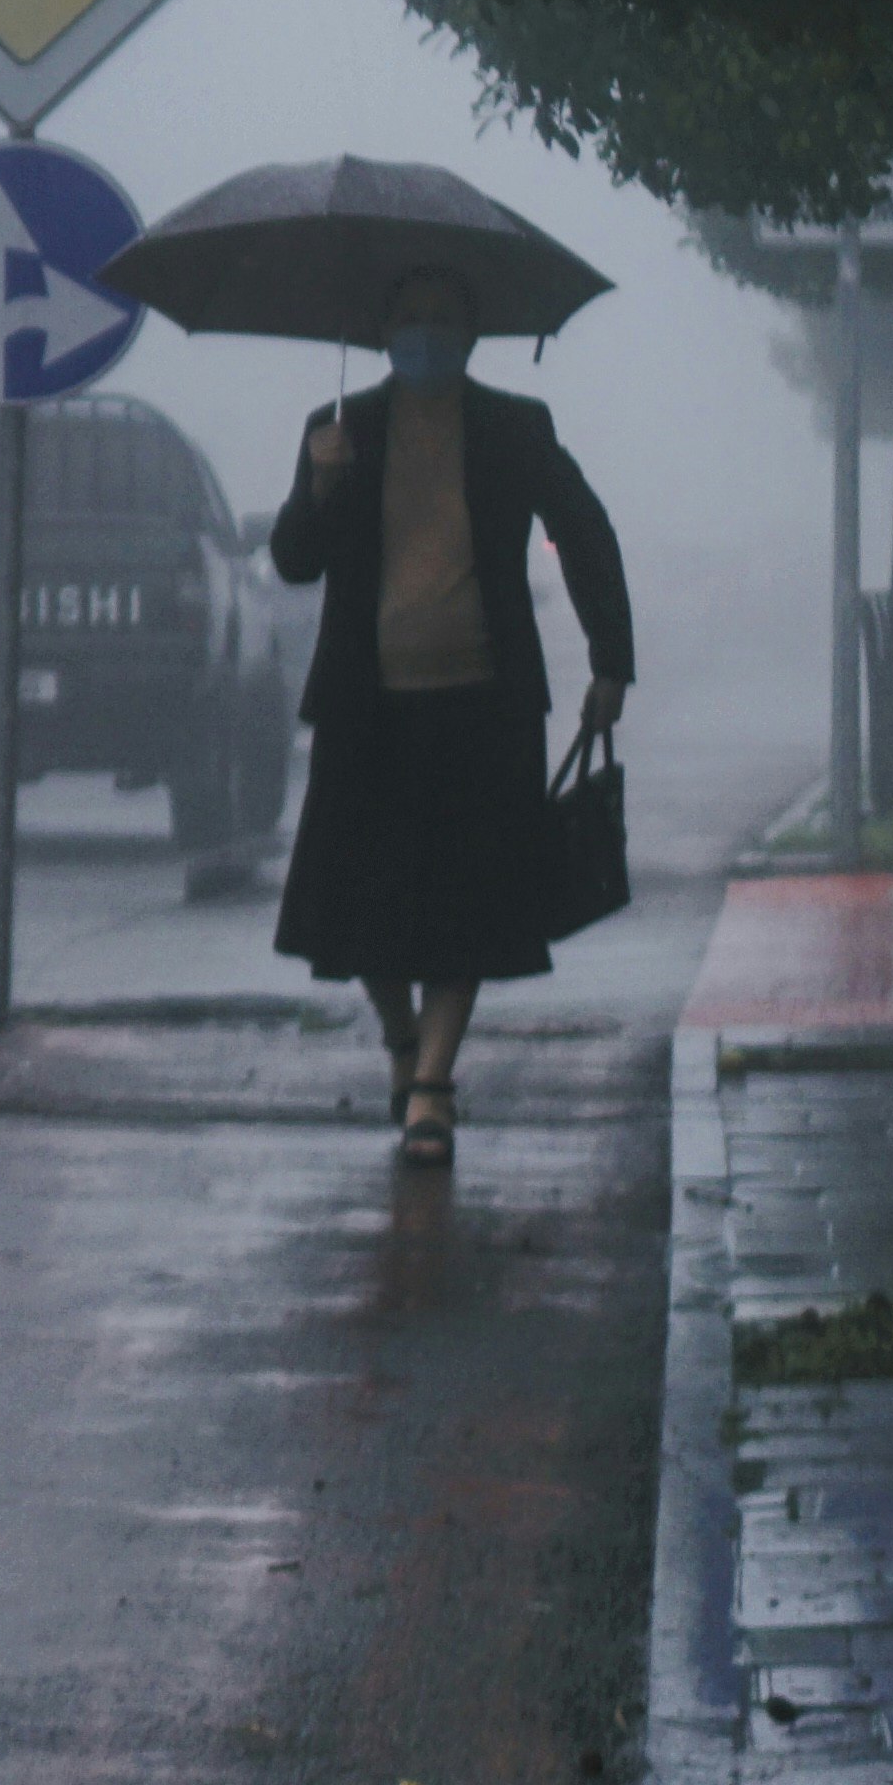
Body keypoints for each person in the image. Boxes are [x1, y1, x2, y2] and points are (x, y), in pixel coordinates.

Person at [269, 263, 632, 1164]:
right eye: (408, 316)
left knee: (465, 904)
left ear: (471, 336)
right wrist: (318, 489)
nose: (423, 332)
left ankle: (432, 1084)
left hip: (484, 704)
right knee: (363, 905)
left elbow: (583, 532)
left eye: (442, 317)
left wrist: (611, 662)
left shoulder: (514, 427)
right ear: (381, 330)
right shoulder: (340, 427)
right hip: (367, 708)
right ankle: (401, 1041)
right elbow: (294, 562)